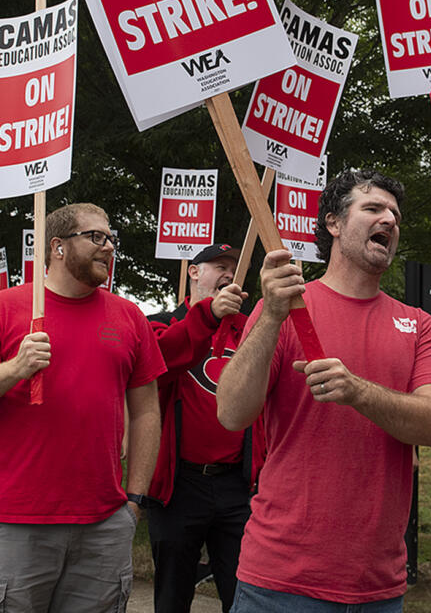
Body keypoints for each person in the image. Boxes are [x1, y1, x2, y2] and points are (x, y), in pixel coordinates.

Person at [217, 168, 431, 611]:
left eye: (395, 214)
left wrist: (357, 392)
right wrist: (269, 317)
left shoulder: (418, 325)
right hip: (279, 582)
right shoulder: (284, 308)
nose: (390, 220)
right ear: (334, 223)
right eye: (373, 208)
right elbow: (231, 413)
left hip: (377, 588)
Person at [0, 203, 165, 613]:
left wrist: (134, 500)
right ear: (58, 247)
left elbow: (147, 411)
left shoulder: (130, 318)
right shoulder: (5, 308)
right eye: (96, 237)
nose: (108, 247)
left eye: (111, 238)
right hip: (19, 522)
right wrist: (15, 368)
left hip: (104, 523)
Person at [146, 242, 253, 613]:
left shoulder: (248, 331)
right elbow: (161, 361)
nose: (228, 273)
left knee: (244, 594)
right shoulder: (161, 323)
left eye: (234, 268)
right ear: (193, 271)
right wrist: (207, 316)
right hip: (179, 486)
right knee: (173, 596)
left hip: (237, 486)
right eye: (218, 265)